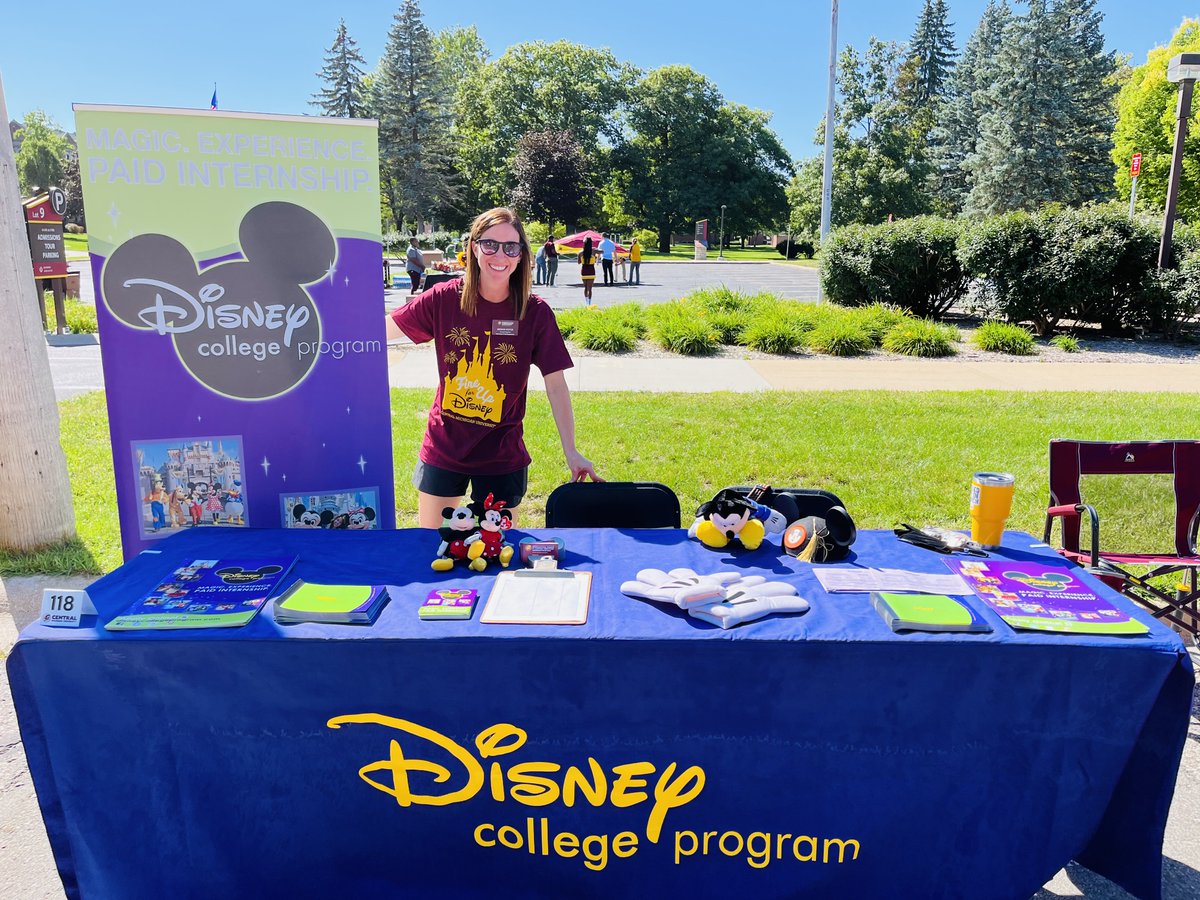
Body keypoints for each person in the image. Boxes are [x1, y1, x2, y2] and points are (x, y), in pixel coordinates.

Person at [385, 207, 602, 528]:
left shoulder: (535, 312)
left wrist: (571, 451)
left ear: (521, 255)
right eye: (490, 244)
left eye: (510, 247)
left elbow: (556, 385)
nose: (500, 255)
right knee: (430, 548)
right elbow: (380, 332)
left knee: (496, 553)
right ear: (474, 247)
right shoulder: (444, 298)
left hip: (502, 455)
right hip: (445, 448)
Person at [578, 236, 597, 302]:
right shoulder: (593, 251)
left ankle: (586, 301)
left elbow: (579, 262)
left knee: (585, 287)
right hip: (591, 271)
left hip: (584, 271)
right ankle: (590, 302)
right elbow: (602, 251)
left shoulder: (581, 253)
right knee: (590, 288)